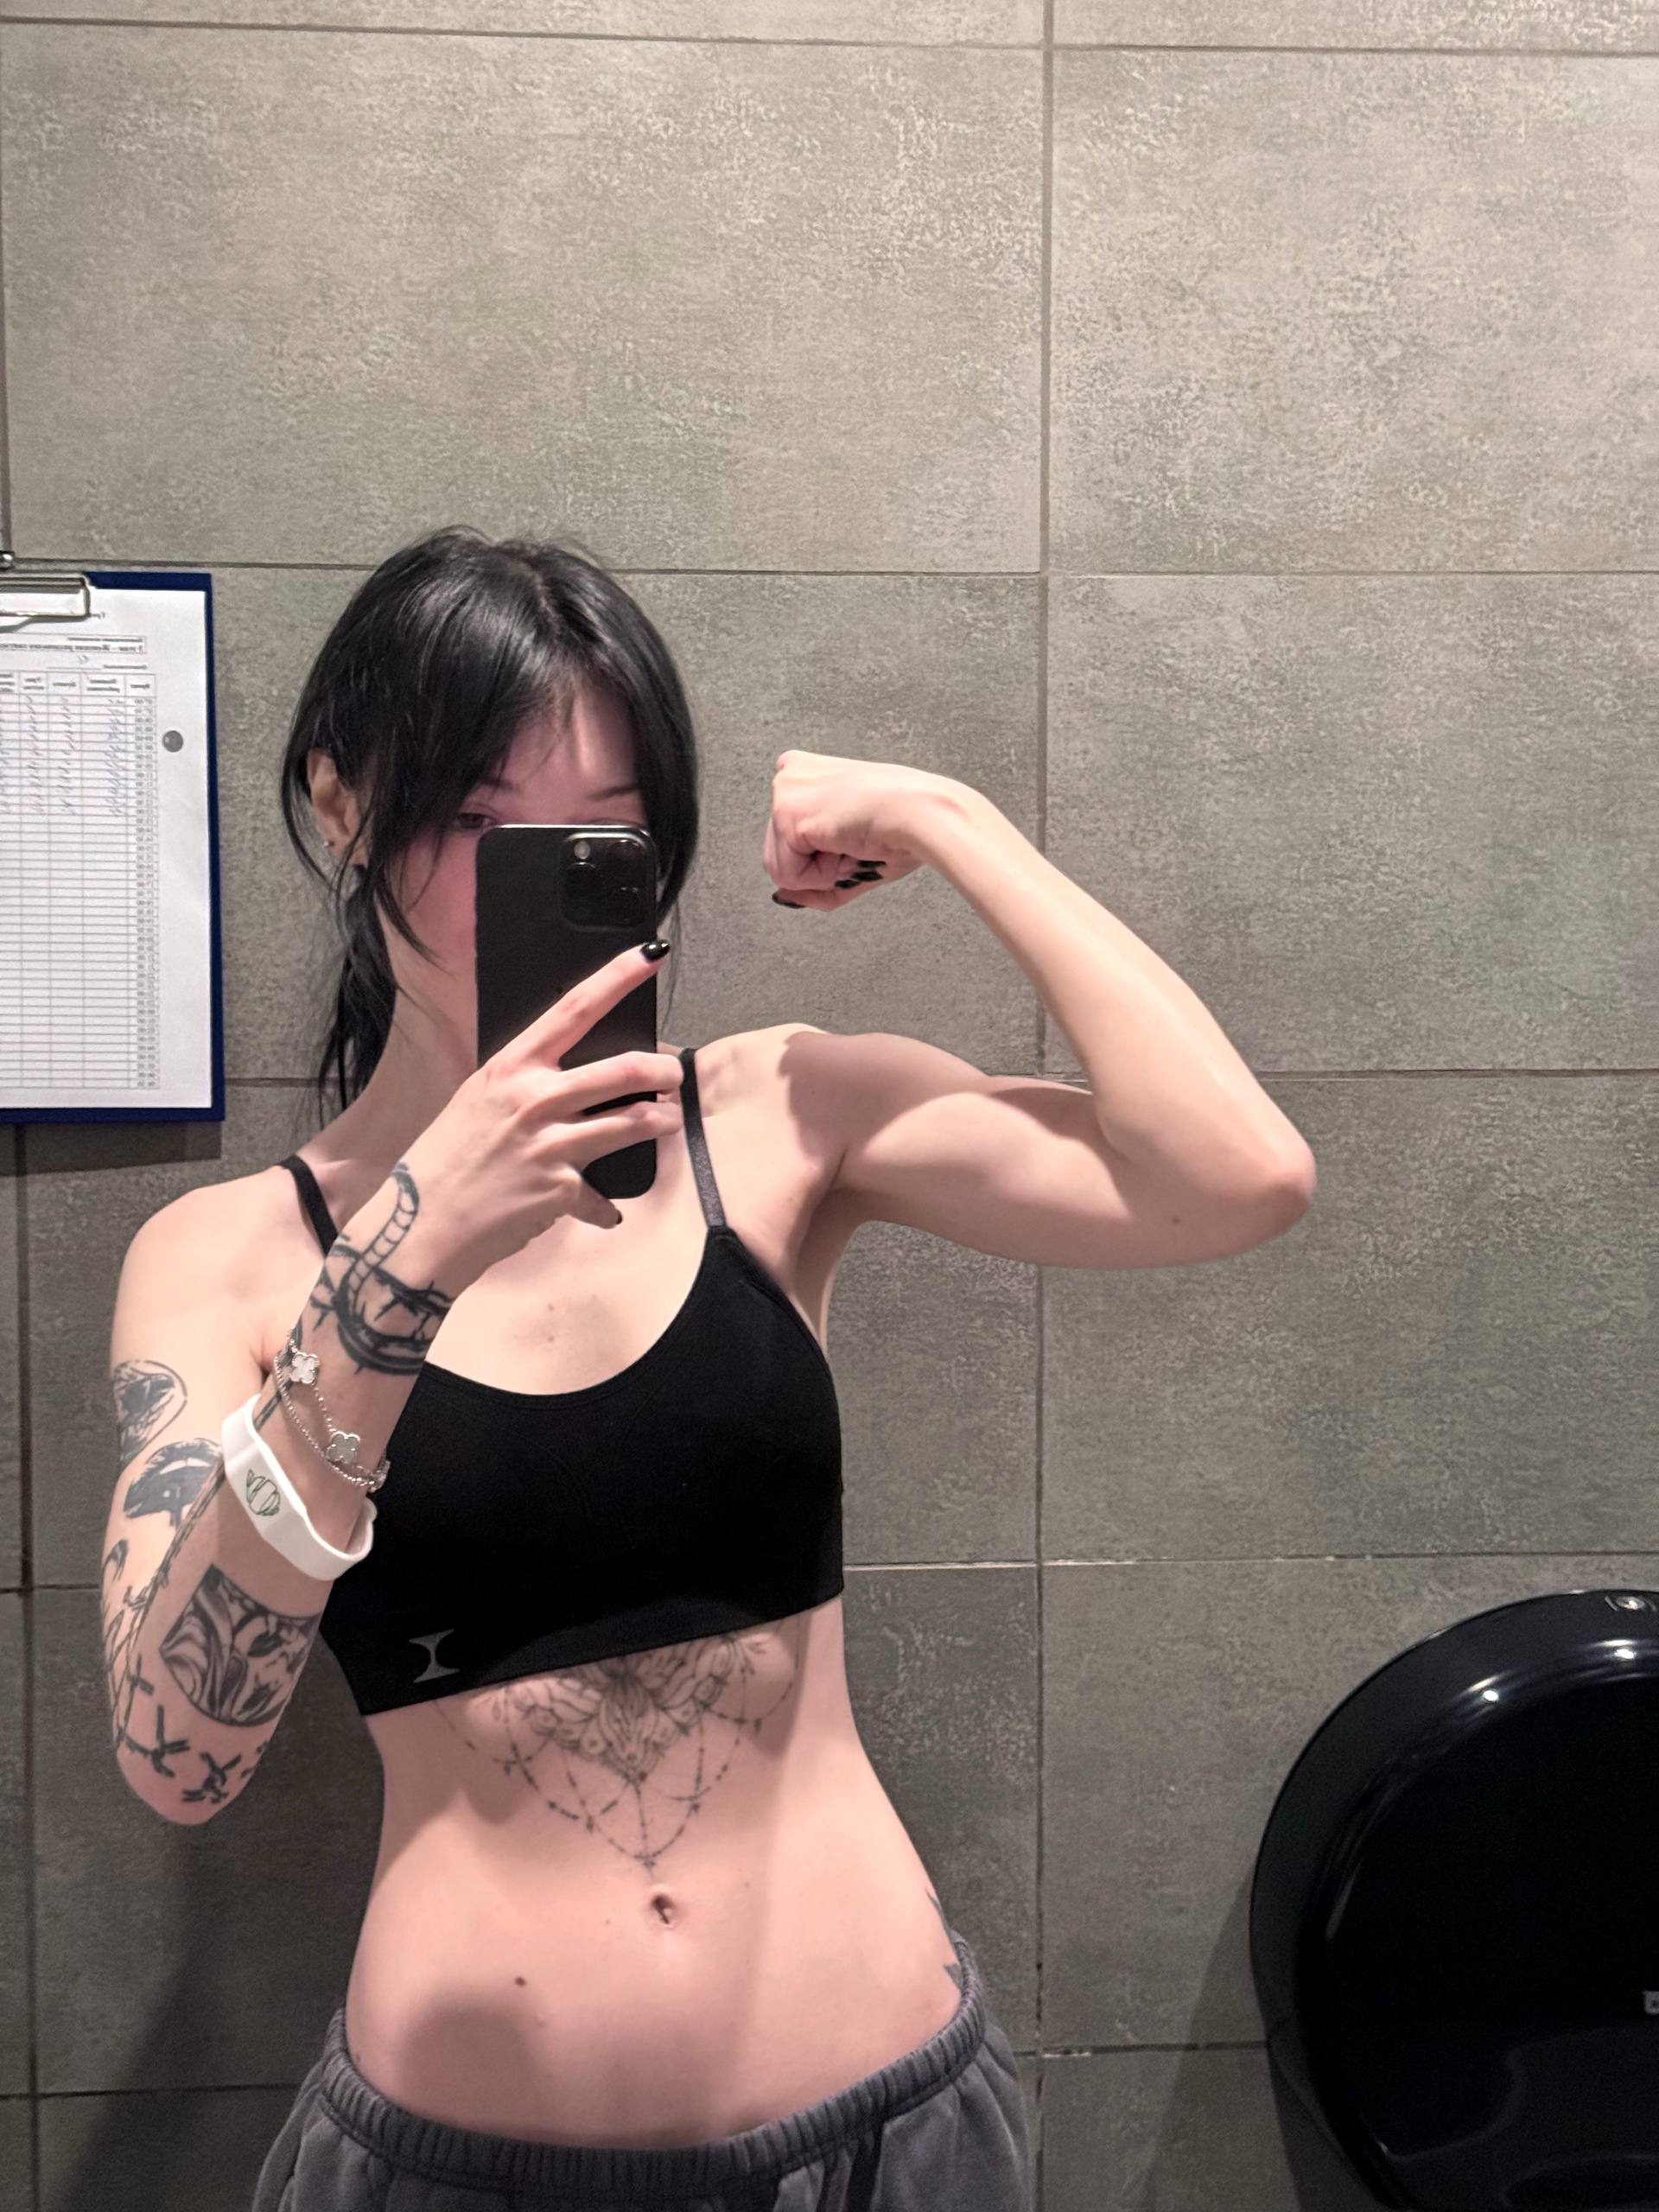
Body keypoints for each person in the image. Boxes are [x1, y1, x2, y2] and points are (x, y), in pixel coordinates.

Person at [100, 526, 1315, 2211]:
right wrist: (402, 1265)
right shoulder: (231, 1257)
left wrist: (954, 822)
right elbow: (179, 1752)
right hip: (460, 2170)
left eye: (601, 834)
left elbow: (1238, 1175)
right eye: (478, 823)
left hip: (890, 2135)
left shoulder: (776, 1118)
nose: (540, 878)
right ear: (339, 802)